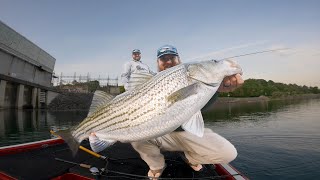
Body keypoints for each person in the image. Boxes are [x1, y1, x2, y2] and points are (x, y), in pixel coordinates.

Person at [130, 45, 244, 179]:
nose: (168, 62)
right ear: (157, 63)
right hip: (159, 134)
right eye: (163, 59)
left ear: (179, 60)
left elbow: (200, 106)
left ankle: (190, 158)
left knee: (228, 153)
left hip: (185, 133)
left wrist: (218, 89)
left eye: (172, 58)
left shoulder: (193, 79)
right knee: (136, 138)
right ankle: (156, 166)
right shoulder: (150, 81)